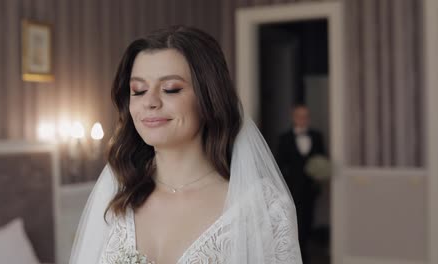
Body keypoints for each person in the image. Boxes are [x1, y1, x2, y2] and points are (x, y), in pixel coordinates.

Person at [70, 26, 302, 264]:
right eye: (138, 91)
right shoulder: (116, 198)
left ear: (209, 97)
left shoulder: (264, 208)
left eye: (171, 89)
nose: (149, 102)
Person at [277, 105, 326, 263]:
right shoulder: (284, 138)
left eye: (306, 116)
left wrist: (320, 174)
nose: (303, 119)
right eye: (299, 116)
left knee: (308, 221)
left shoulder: (317, 136)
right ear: (294, 117)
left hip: (310, 189)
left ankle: (304, 254)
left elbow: (322, 158)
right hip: (291, 190)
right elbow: (278, 164)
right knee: (292, 222)